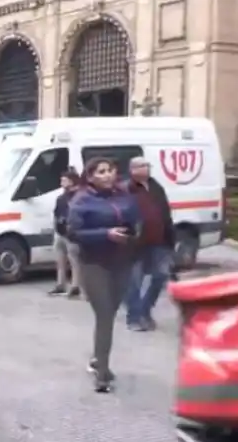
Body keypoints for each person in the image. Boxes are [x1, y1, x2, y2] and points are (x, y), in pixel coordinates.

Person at [67, 156, 140, 393]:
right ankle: (102, 374)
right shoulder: (82, 200)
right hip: (94, 263)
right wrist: (105, 234)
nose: (107, 175)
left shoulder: (124, 196)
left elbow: (136, 218)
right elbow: (73, 232)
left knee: (110, 312)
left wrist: (134, 232)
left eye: (110, 170)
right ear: (90, 177)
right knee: (105, 315)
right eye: (101, 172)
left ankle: (98, 358)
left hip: (121, 262)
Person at [122, 156, 175, 331]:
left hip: (159, 242)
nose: (145, 169)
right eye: (140, 166)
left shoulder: (156, 186)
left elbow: (165, 212)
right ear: (132, 170)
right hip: (135, 244)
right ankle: (134, 318)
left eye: (146, 165)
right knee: (134, 282)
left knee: (160, 276)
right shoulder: (125, 190)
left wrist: (170, 238)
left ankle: (145, 310)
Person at [49, 168, 82, 298]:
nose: (62, 182)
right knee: (60, 260)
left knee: (74, 261)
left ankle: (75, 285)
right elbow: (56, 213)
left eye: (65, 180)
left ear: (72, 181)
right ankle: (60, 284)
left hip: (71, 234)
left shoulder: (78, 197)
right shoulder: (61, 197)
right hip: (60, 232)